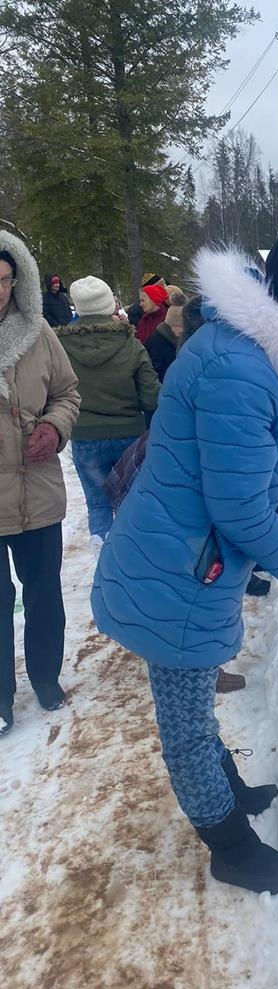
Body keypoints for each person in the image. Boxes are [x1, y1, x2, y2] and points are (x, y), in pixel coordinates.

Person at [91, 214, 278, 894]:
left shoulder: (252, 357)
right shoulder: (239, 370)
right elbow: (240, 510)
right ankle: (228, 845)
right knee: (185, 722)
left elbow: (264, 477)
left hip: (189, 561)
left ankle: (226, 789)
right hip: (174, 573)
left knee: (193, 701)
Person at [0, 231, 80, 734]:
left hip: (38, 490)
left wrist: (54, 427)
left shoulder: (38, 332)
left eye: (6, 281)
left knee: (44, 591)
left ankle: (46, 677)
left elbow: (68, 392)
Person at [57, 275, 160, 551]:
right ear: (109, 305)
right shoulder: (131, 344)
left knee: (98, 505)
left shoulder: (60, 346)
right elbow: (152, 396)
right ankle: (135, 562)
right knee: (133, 505)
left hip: (86, 436)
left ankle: (104, 558)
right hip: (129, 436)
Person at [145, 300, 186, 381]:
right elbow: (156, 370)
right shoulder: (156, 342)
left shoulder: (178, 338)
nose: (183, 331)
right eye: (181, 328)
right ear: (173, 325)